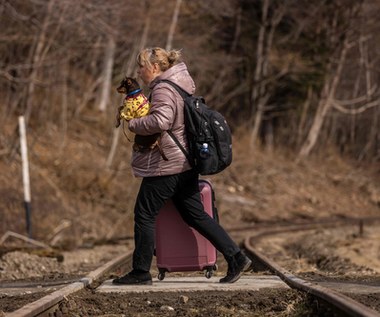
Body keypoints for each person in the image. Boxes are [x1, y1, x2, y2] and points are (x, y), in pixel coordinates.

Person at [112, 47, 251, 285]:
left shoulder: (164, 89)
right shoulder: (179, 85)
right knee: (196, 215)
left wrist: (134, 123)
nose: (138, 71)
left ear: (154, 68)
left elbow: (161, 120)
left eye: (141, 67)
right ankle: (236, 257)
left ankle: (140, 272)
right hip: (185, 163)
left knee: (144, 214)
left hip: (168, 165)